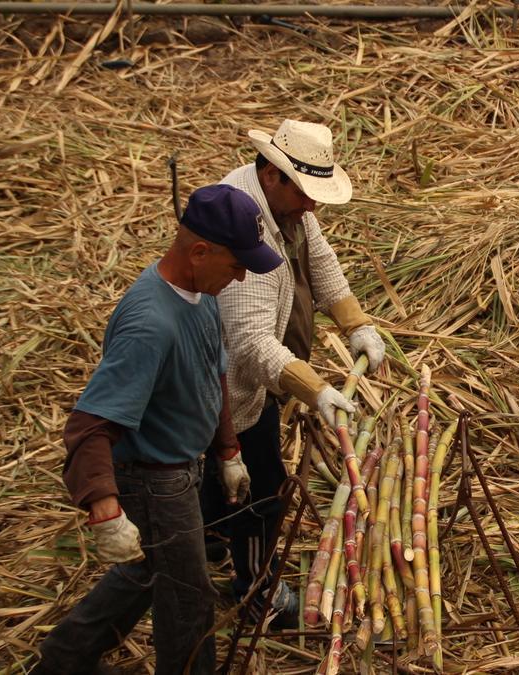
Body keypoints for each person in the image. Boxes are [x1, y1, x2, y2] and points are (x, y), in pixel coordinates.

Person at [32, 185, 284, 675]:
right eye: (236, 265)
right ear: (198, 251)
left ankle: (64, 660)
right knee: (188, 601)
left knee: (145, 574)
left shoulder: (201, 294)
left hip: (184, 469)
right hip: (154, 479)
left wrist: (228, 451)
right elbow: (89, 424)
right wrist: (105, 509)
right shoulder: (150, 323)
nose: (239, 279)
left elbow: (215, 375)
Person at [201, 119, 386, 628]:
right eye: (305, 194)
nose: (313, 205)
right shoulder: (244, 222)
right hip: (231, 389)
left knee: (218, 477)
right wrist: (316, 388)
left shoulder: (291, 206)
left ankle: (211, 541)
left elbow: (321, 261)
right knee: (263, 489)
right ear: (272, 174)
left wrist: (355, 323)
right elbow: (250, 343)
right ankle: (254, 588)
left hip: (254, 378)